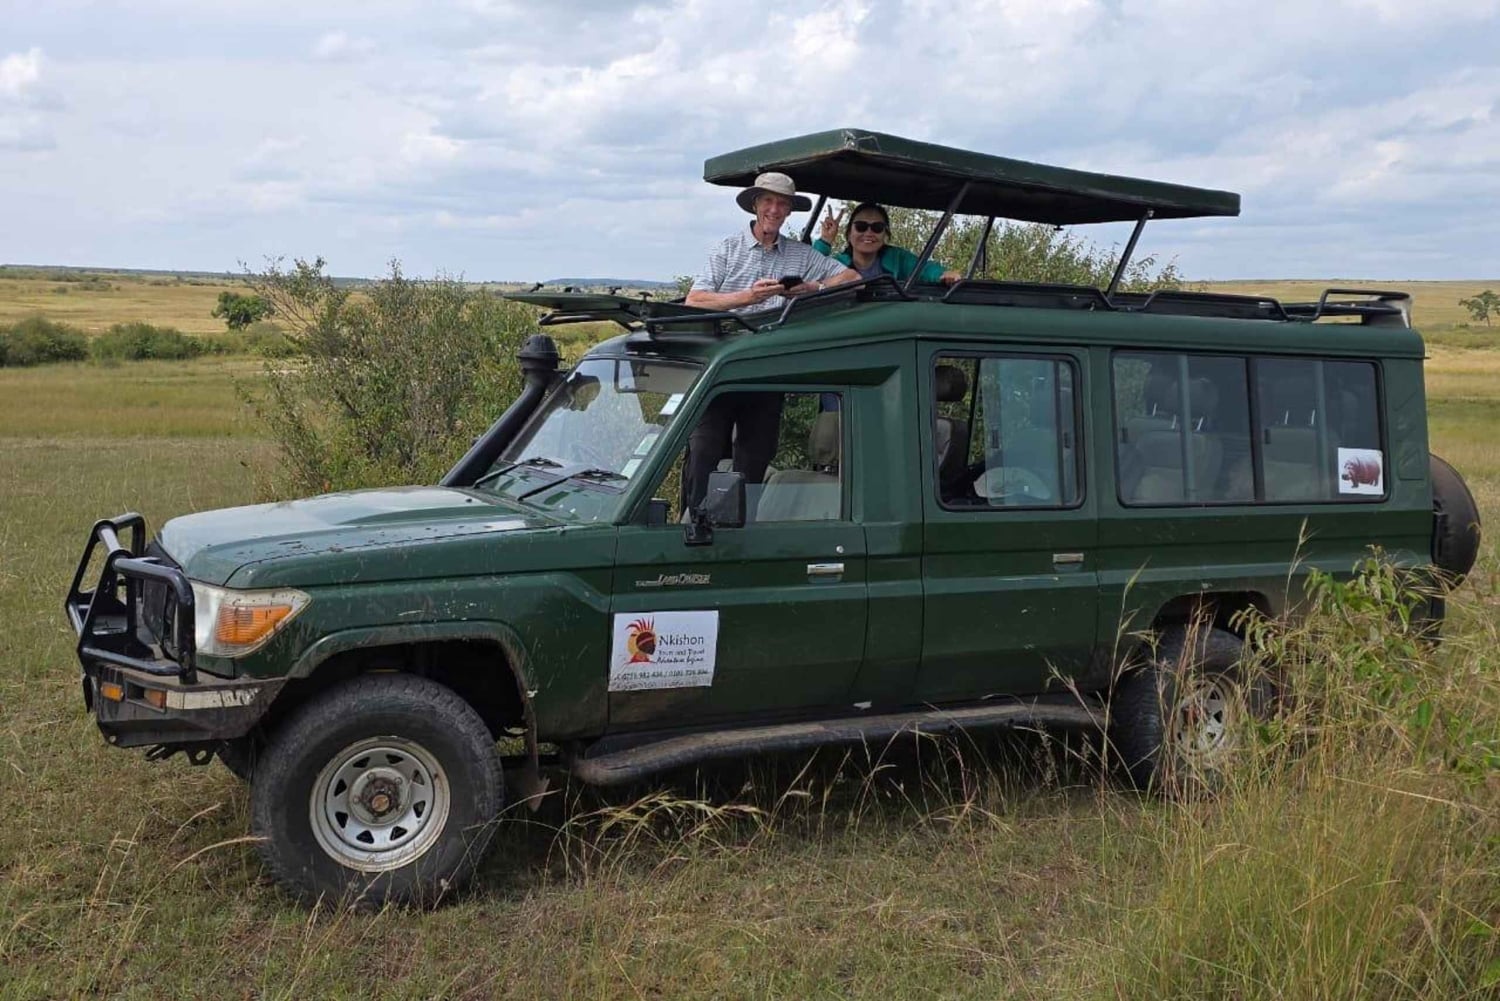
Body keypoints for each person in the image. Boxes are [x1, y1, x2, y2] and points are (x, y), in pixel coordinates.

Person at [681, 173, 859, 512]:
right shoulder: (727, 249)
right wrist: (747, 297)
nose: (774, 210)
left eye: (782, 204)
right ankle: (694, 525)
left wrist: (811, 288)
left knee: (755, 457)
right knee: (704, 452)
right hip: (722, 370)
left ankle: (743, 529)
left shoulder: (800, 255)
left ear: (789, 211)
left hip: (766, 371)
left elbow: (852, 278)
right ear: (755, 205)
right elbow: (696, 300)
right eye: (768, 202)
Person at [813, 202, 963, 285]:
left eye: (877, 228)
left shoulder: (897, 258)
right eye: (861, 227)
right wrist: (825, 240)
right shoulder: (837, 264)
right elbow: (811, 274)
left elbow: (924, 269)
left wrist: (943, 275)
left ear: (885, 234)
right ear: (849, 233)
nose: (869, 233)